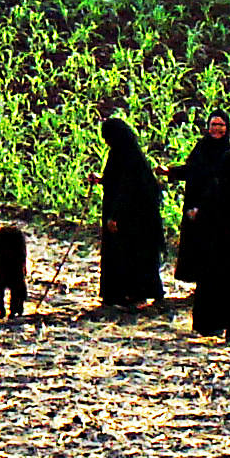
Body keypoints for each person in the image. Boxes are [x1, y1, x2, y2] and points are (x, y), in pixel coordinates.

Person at [170, 121, 230, 338]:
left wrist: (197, 215)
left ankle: (212, 326)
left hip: (218, 252)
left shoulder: (218, 189)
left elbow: (211, 214)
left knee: (215, 287)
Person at [94, 113, 167, 318]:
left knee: (129, 254)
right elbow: (114, 180)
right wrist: (100, 180)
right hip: (130, 216)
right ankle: (126, 293)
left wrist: (115, 216)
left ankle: (131, 294)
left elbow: (126, 190)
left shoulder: (126, 157)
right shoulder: (124, 154)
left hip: (131, 218)